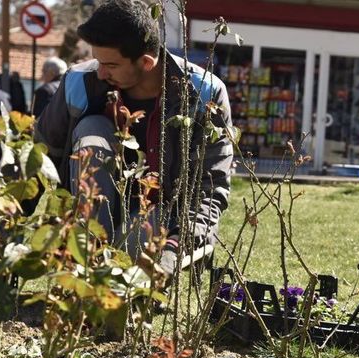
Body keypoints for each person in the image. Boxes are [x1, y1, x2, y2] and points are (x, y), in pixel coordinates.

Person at [35, 0, 233, 276]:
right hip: (92, 214)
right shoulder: (79, 81)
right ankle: (89, 252)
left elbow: (211, 186)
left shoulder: (204, 94)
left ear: (146, 62)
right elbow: (39, 158)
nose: (101, 72)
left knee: (133, 250)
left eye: (111, 65)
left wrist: (175, 246)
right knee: (91, 128)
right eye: (98, 61)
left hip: (162, 217)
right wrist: (8, 231)